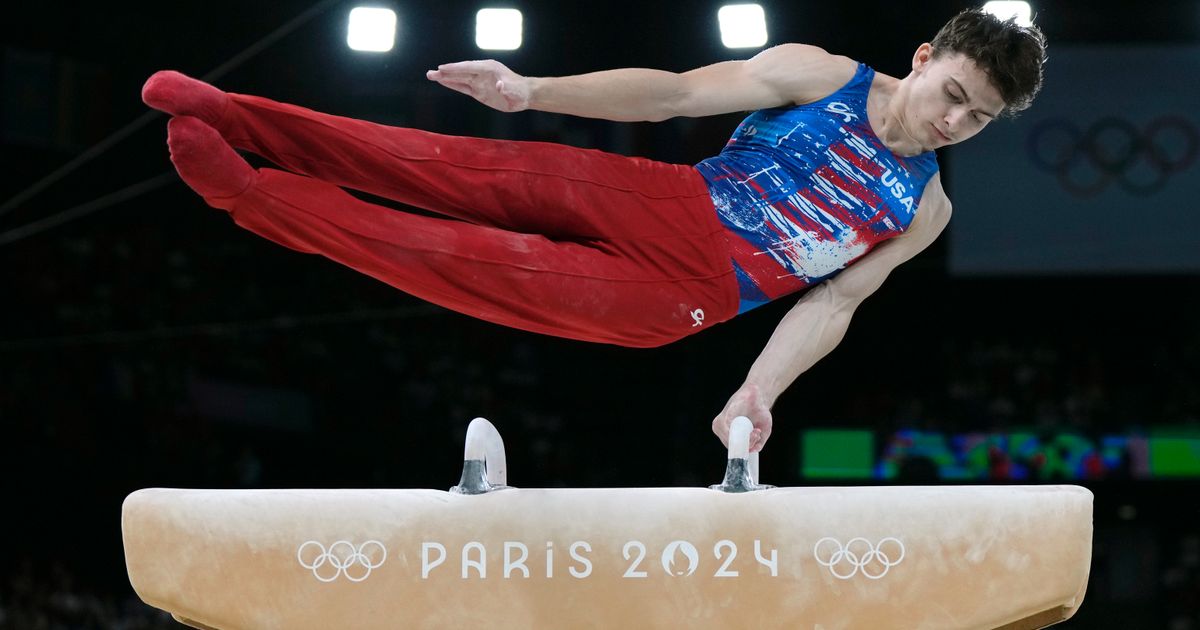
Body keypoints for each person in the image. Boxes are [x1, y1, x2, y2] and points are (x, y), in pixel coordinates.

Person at [141, 7, 1046, 455]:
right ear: (926, 59)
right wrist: (532, 92)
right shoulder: (823, 75)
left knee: (446, 256)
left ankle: (248, 194)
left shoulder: (923, 211)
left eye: (977, 120)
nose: (954, 123)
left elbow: (835, 303)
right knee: (443, 166)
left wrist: (755, 393)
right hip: (663, 197)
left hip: (686, 296)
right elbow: (677, 92)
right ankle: (239, 113)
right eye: (954, 95)